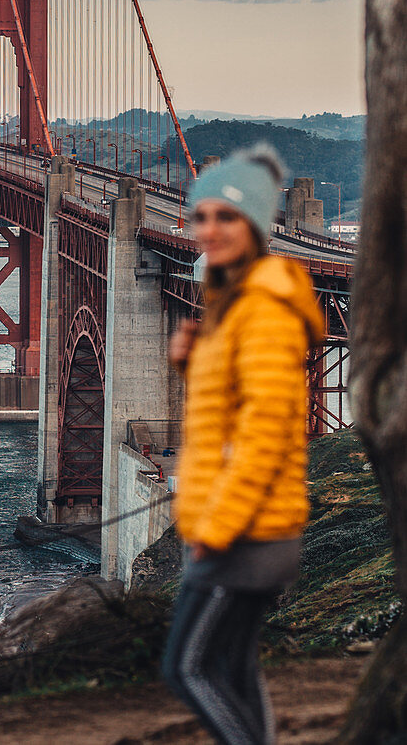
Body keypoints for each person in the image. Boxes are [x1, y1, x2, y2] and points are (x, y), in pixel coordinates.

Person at [162, 145, 324, 745]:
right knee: (231, 666)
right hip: (239, 525)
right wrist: (190, 363)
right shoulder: (233, 305)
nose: (210, 230)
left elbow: (265, 433)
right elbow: (230, 411)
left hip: (244, 531)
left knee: (187, 668)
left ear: (256, 226)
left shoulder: (263, 309)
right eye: (200, 216)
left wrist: (217, 526)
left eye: (226, 216)